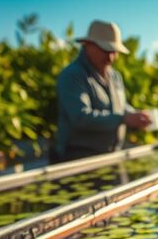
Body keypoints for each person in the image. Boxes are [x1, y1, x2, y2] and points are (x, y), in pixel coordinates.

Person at [53, 20, 151, 162]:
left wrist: (134, 115)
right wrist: (123, 118)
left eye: (113, 52)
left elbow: (120, 106)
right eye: (105, 50)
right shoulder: (72, 75)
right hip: (79, 160)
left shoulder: (115, 76)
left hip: (111, 156)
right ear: (87, 45)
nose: (110, 57)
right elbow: (81, 117)